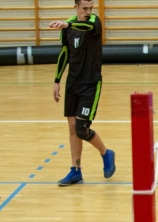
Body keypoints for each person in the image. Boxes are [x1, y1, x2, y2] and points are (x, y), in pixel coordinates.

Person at [49, 0, 116, 187]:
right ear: (76, 7)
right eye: (84, 8)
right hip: (73, 84)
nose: (88, 11)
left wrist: (67, 25)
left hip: (90, 84)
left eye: (90, 8)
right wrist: (57, 81)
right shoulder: (68, 26)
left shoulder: (93, 22)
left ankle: (106, 153)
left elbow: (86, 26)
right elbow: (64, 53)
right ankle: (75, 170)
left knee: (81, 128)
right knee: (72, 128)